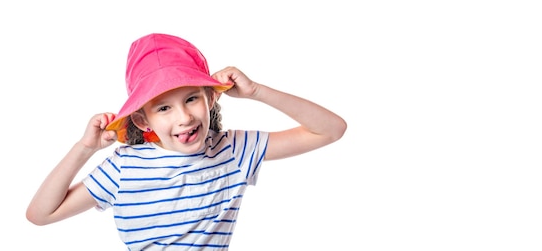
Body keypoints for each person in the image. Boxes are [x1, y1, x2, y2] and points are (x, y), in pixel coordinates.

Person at [26, 33, 347, 250]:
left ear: (211, 99)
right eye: (164, 107)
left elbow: (330, 129)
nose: (184, 117)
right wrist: (85, 148)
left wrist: (256, 92)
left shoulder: (232, 150)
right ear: (141, 119)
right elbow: (41, 214)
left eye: (191, 98)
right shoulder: (125, 167)